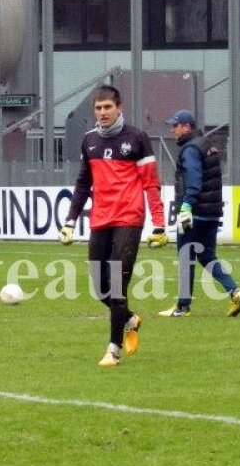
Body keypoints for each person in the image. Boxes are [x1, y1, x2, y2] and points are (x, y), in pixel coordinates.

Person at [58, 85, 169, 367]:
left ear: (119, 108)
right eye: (98, 108)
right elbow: (84, 183)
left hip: (129, 219)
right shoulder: (89, 140)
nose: (103, 113)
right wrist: (70, 219)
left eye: (108, 107)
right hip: (100, 219)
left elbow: (151, 184)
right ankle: (130, 319)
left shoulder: (137, 138)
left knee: (117, 285)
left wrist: (159, 224)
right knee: (100, 288)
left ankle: (113, 349)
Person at [158, 109, 240, 318]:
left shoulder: (190, 149)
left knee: (185, 257)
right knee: (207, 255)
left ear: (187, 126)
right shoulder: (207, 145)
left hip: (195, 212)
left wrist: (186, 207)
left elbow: (194, 179)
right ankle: (235, 292)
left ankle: (182, 307)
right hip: (212, 211)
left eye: (176, 125)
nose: (173, 129)